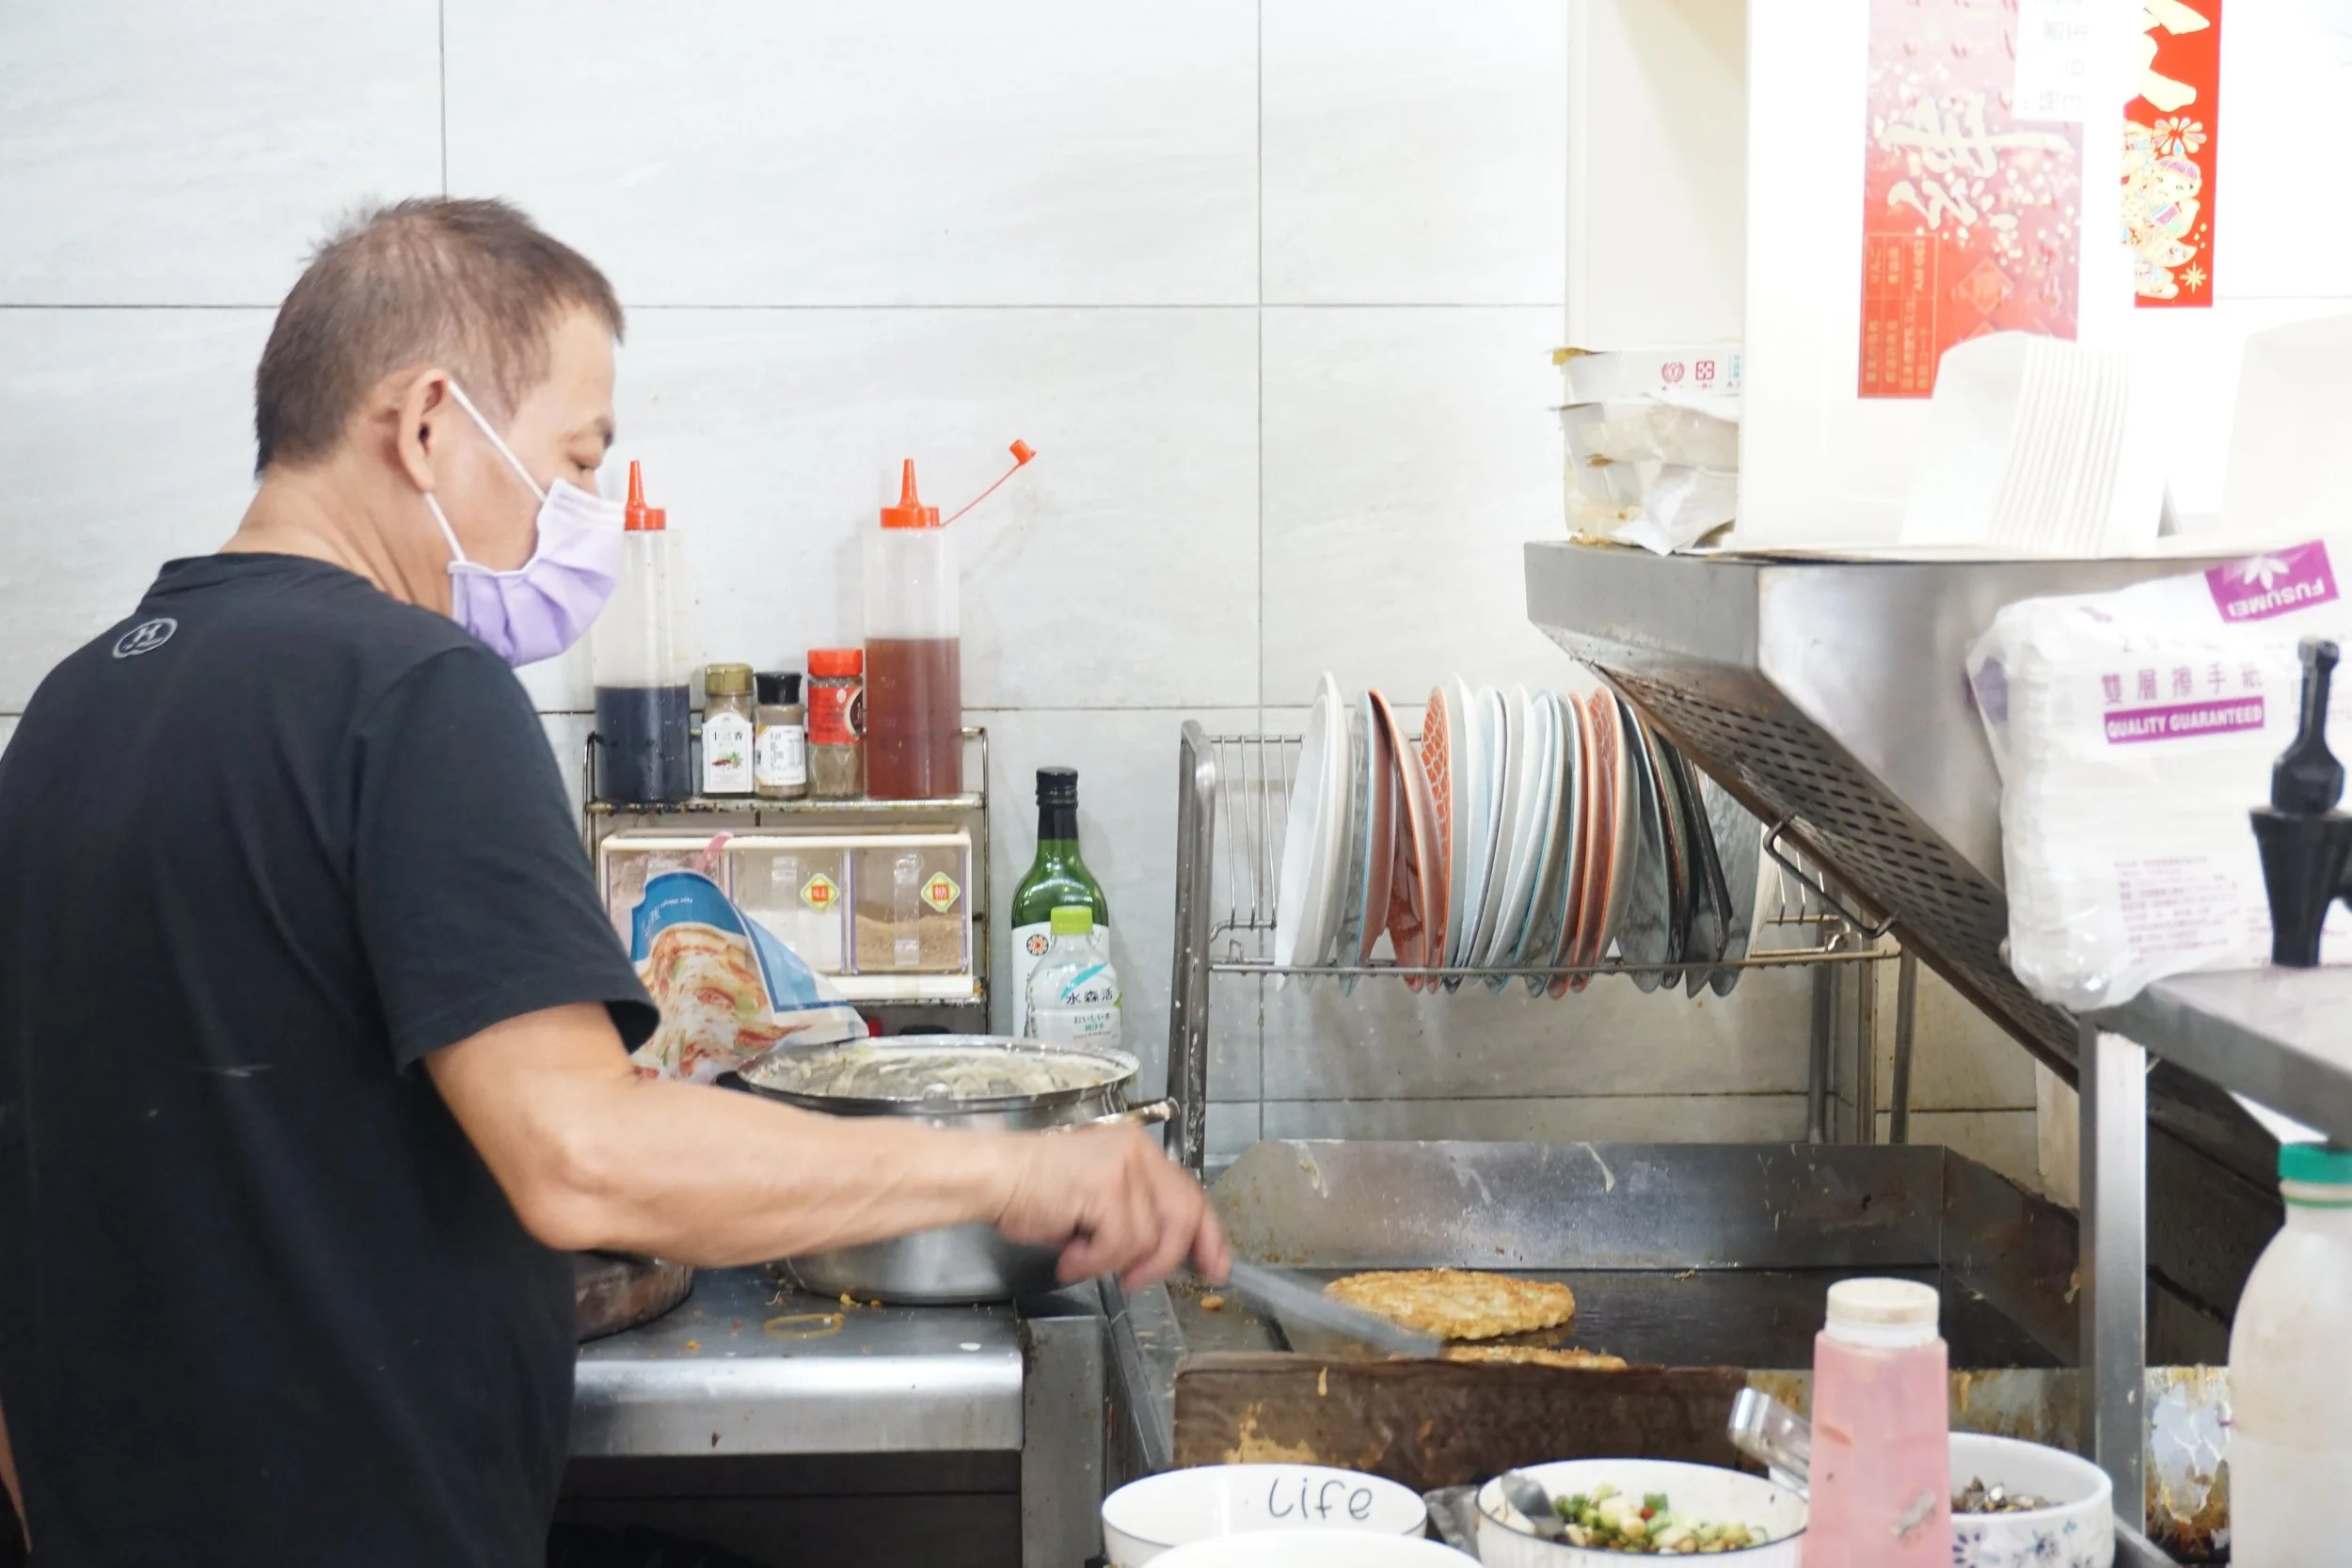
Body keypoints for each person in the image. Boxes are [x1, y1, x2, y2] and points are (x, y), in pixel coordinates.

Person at [0, 198, 1228, 1567]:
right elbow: (583, 1155)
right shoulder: (413, 693)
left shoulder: (69, 712)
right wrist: (1010, 1170)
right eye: (573, 461)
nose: (579, 517)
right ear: (427, 424)